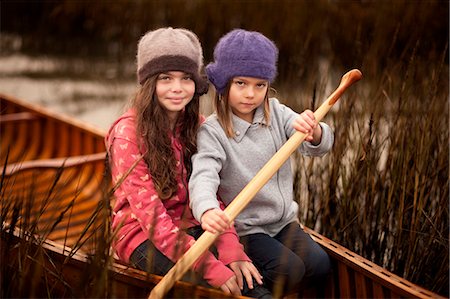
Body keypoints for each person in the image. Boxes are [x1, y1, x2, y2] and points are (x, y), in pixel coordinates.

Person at [105, 27, 270, 298]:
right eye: (165, 78)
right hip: (141, 237)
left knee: (254, 280)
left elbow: (214, 195)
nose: (177, 88)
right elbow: (154, 220)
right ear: (148, 83)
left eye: (186, 78)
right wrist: (210, 267)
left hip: (194, 225)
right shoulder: (128, 134)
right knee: (228, 289)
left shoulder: (198, 127)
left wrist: (230, 246)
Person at [189, 29, 333, 296]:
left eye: (260, 85)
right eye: (241, 83)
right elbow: (203, 177)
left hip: (282, 223)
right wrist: (207, 210)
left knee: (320, 265)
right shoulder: (213, 132)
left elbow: (317, 147)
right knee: (290, 269)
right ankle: (248, 290)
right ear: (224, 84)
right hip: (246, 229)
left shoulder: (277, 113)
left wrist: (315, 132)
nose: (250, 94)